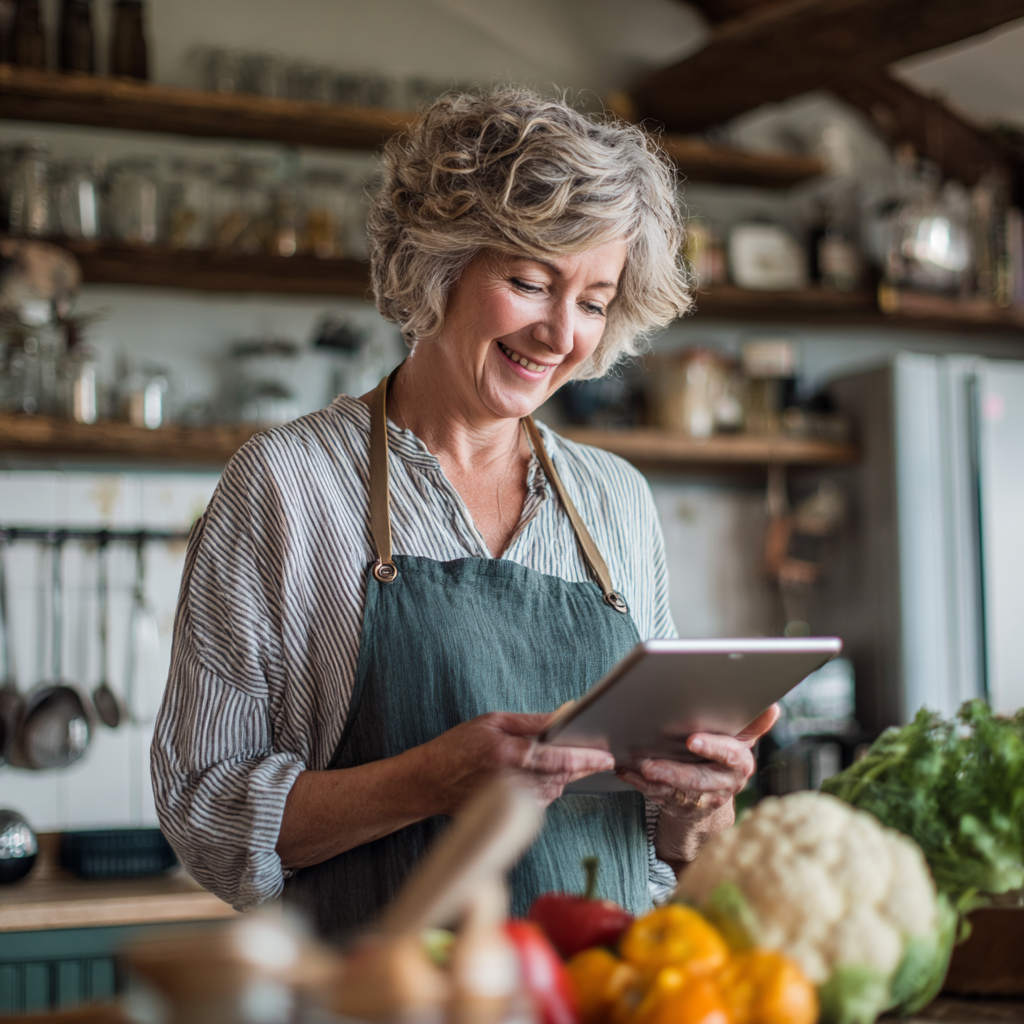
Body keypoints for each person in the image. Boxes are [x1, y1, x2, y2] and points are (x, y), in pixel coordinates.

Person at [152, 87, 779, 940]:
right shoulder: (287, 487)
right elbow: (207, 813)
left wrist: (701, 805)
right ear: (440, 262)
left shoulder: (615, 501)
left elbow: (670, 858)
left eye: (594, 301)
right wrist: (429, 781)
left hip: (604, 994)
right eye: (530, 282)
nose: (561, 333)